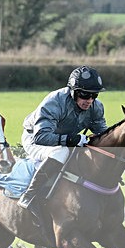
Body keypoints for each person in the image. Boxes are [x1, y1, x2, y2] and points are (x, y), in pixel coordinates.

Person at [18, 65, 108, 223]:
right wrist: (72, 140)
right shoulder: (55, 101)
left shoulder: (96, 107)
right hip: (35, 139)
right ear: (73, 91)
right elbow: (42, 136)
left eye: (94, 95)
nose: (89, 100)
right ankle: (29, 196)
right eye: (85, 95)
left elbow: (103, 136)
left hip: (61, 140)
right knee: (61, 152)